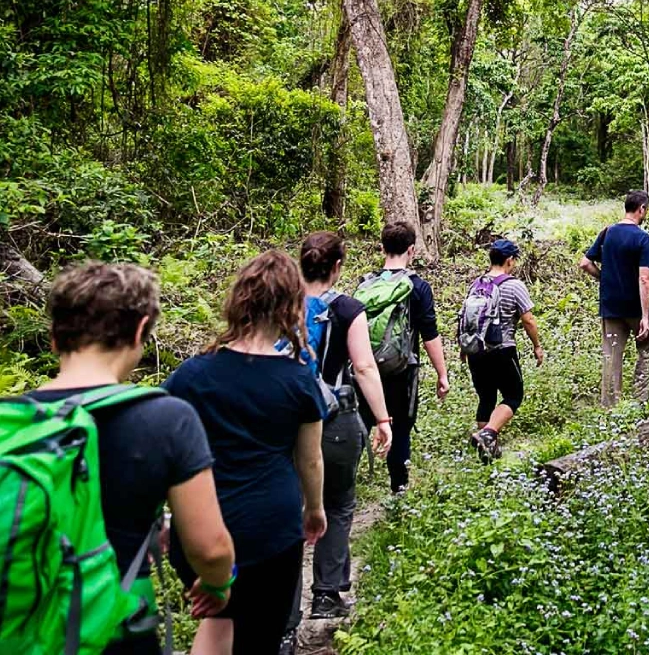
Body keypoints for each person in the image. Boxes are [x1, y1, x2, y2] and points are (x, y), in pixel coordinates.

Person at [23, 262, 235, 655]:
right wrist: (217, 585)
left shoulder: (11, 424)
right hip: (116, 629)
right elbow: (209, 547)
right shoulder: (166, 419)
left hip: (22, 631)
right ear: (140, 331)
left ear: (54, 338)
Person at [165, 251, 328, 655]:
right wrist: (315, 510)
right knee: (260, 635)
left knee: (218, 622)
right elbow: (310, 459)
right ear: (292, 306)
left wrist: (167, 515)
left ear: (240, 300)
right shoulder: (298, 379)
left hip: (203, 525)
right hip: (270, 528)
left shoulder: (191, 374)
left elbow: (164, 449)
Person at [280, 233, 393, 648]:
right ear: (338, 266)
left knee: (288, 513)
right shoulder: (348, 308)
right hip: (336, 420)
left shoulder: (281, 303)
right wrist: (383, 418)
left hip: (285, 422)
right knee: (339, 502)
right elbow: (363, 366)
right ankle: (327, 595)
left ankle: (285, 620)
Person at [356, 220, 449, 494]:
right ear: (412, 250)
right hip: (402, 371)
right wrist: (442, 375)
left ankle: (340, 489)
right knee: (400, 431)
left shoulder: (365, 284)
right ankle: (399, 492)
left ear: (382, 248)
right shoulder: (417, 287)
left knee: (360, 426)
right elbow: (429, 335)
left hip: (366, 369)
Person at [466, 239, 544, 463]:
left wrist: (464, 348)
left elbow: (468, 318)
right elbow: (528, 320)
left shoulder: (477, 284)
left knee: (486, 397)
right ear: (509, 260)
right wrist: (537, 346)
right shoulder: (514, 285)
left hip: (476, 351)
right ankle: (488, 434)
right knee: (513, 395)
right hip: (502, 350)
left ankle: (488, 453)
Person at [579, 190, 649, 407]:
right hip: (634, 306)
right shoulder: (643, 238)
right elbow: (644, 279)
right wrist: (644, 315)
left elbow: (585, 263)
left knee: (611, 356)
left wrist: (604, 278)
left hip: (611, 306)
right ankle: (640, 397)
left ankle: (611, 406)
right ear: (641, 209)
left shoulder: (607, 233)